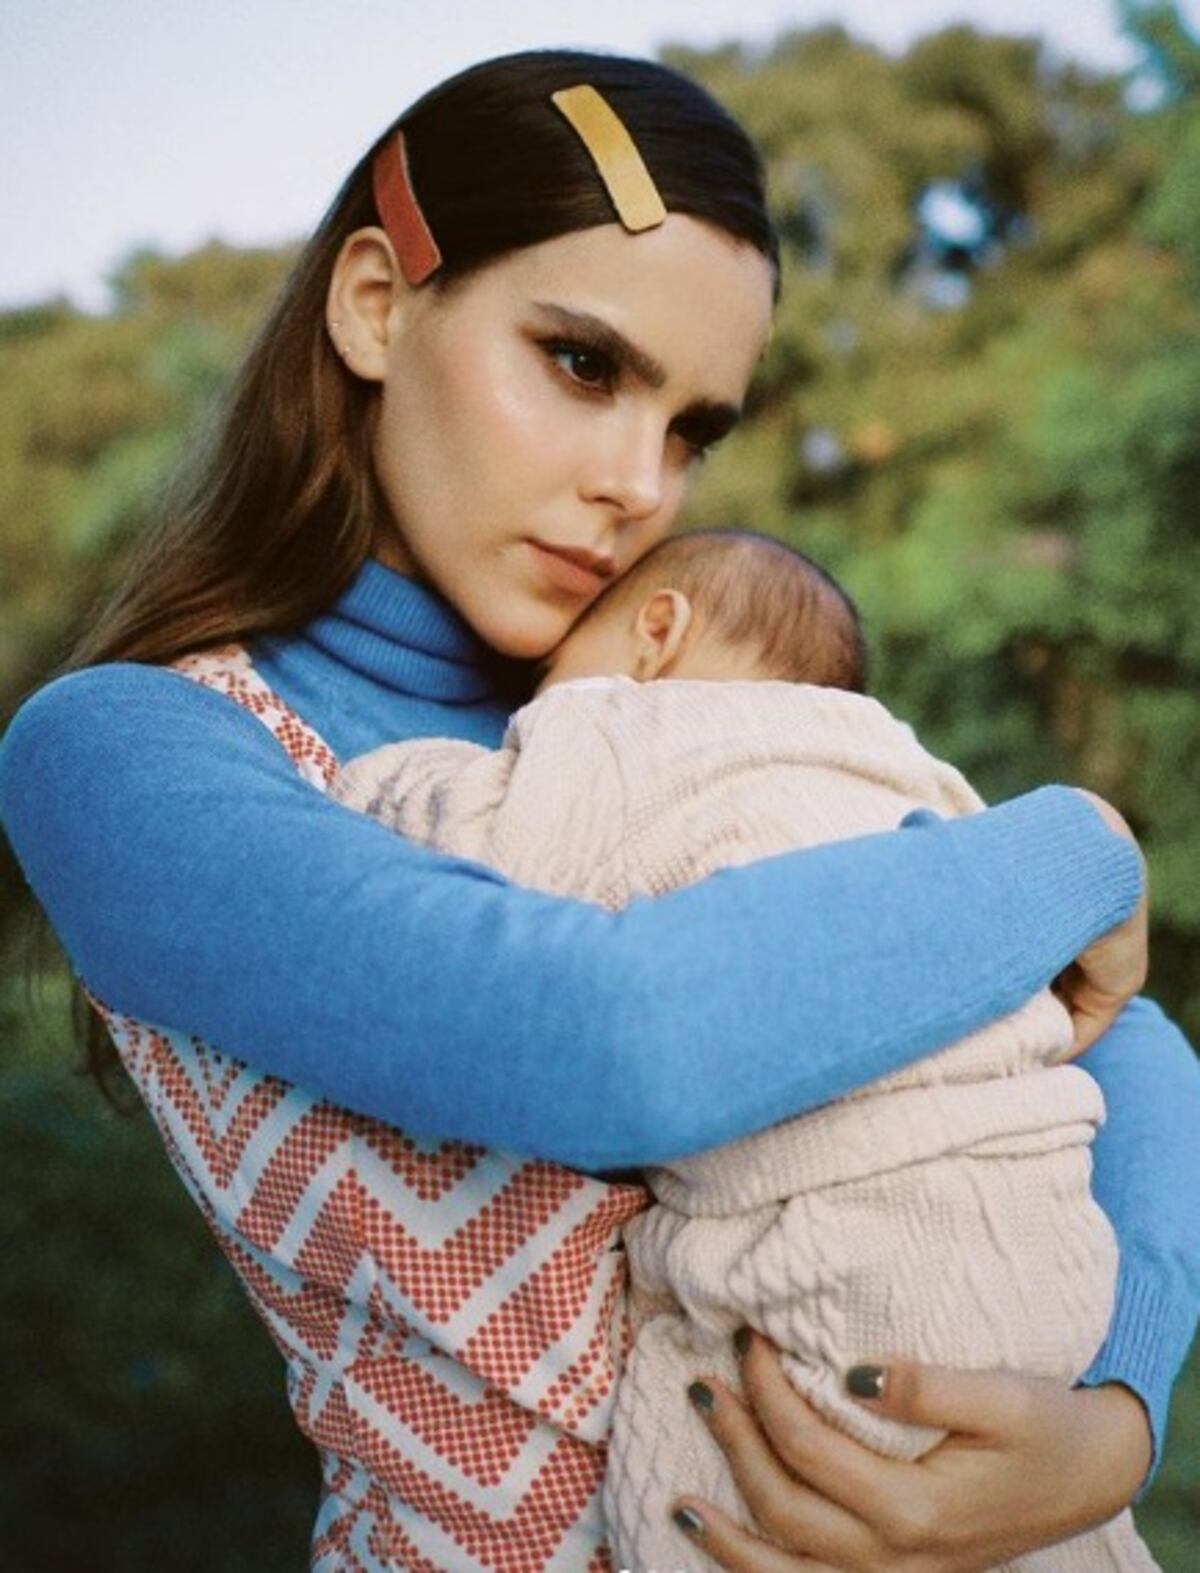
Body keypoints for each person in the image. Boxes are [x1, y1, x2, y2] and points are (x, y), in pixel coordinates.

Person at [0, 47, 1195, 1573]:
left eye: (695, 426)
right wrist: (1079, 843)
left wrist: (1114, 1415)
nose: (641, 482)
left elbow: (1117, 1035)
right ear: (375, 303)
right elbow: (623, 1046)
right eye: (583, 363)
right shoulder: (133, 753)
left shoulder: (668, 701)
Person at [331, 526, 1159, 1572]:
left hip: (836, 1244)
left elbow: (488, 839)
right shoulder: (911, 768)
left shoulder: (623, 727)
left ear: (656, 633)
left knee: (722, 1473)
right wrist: (1089, 837)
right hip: (1051, 1246)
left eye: (546, 677)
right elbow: (1075, 990)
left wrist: (379, 780)